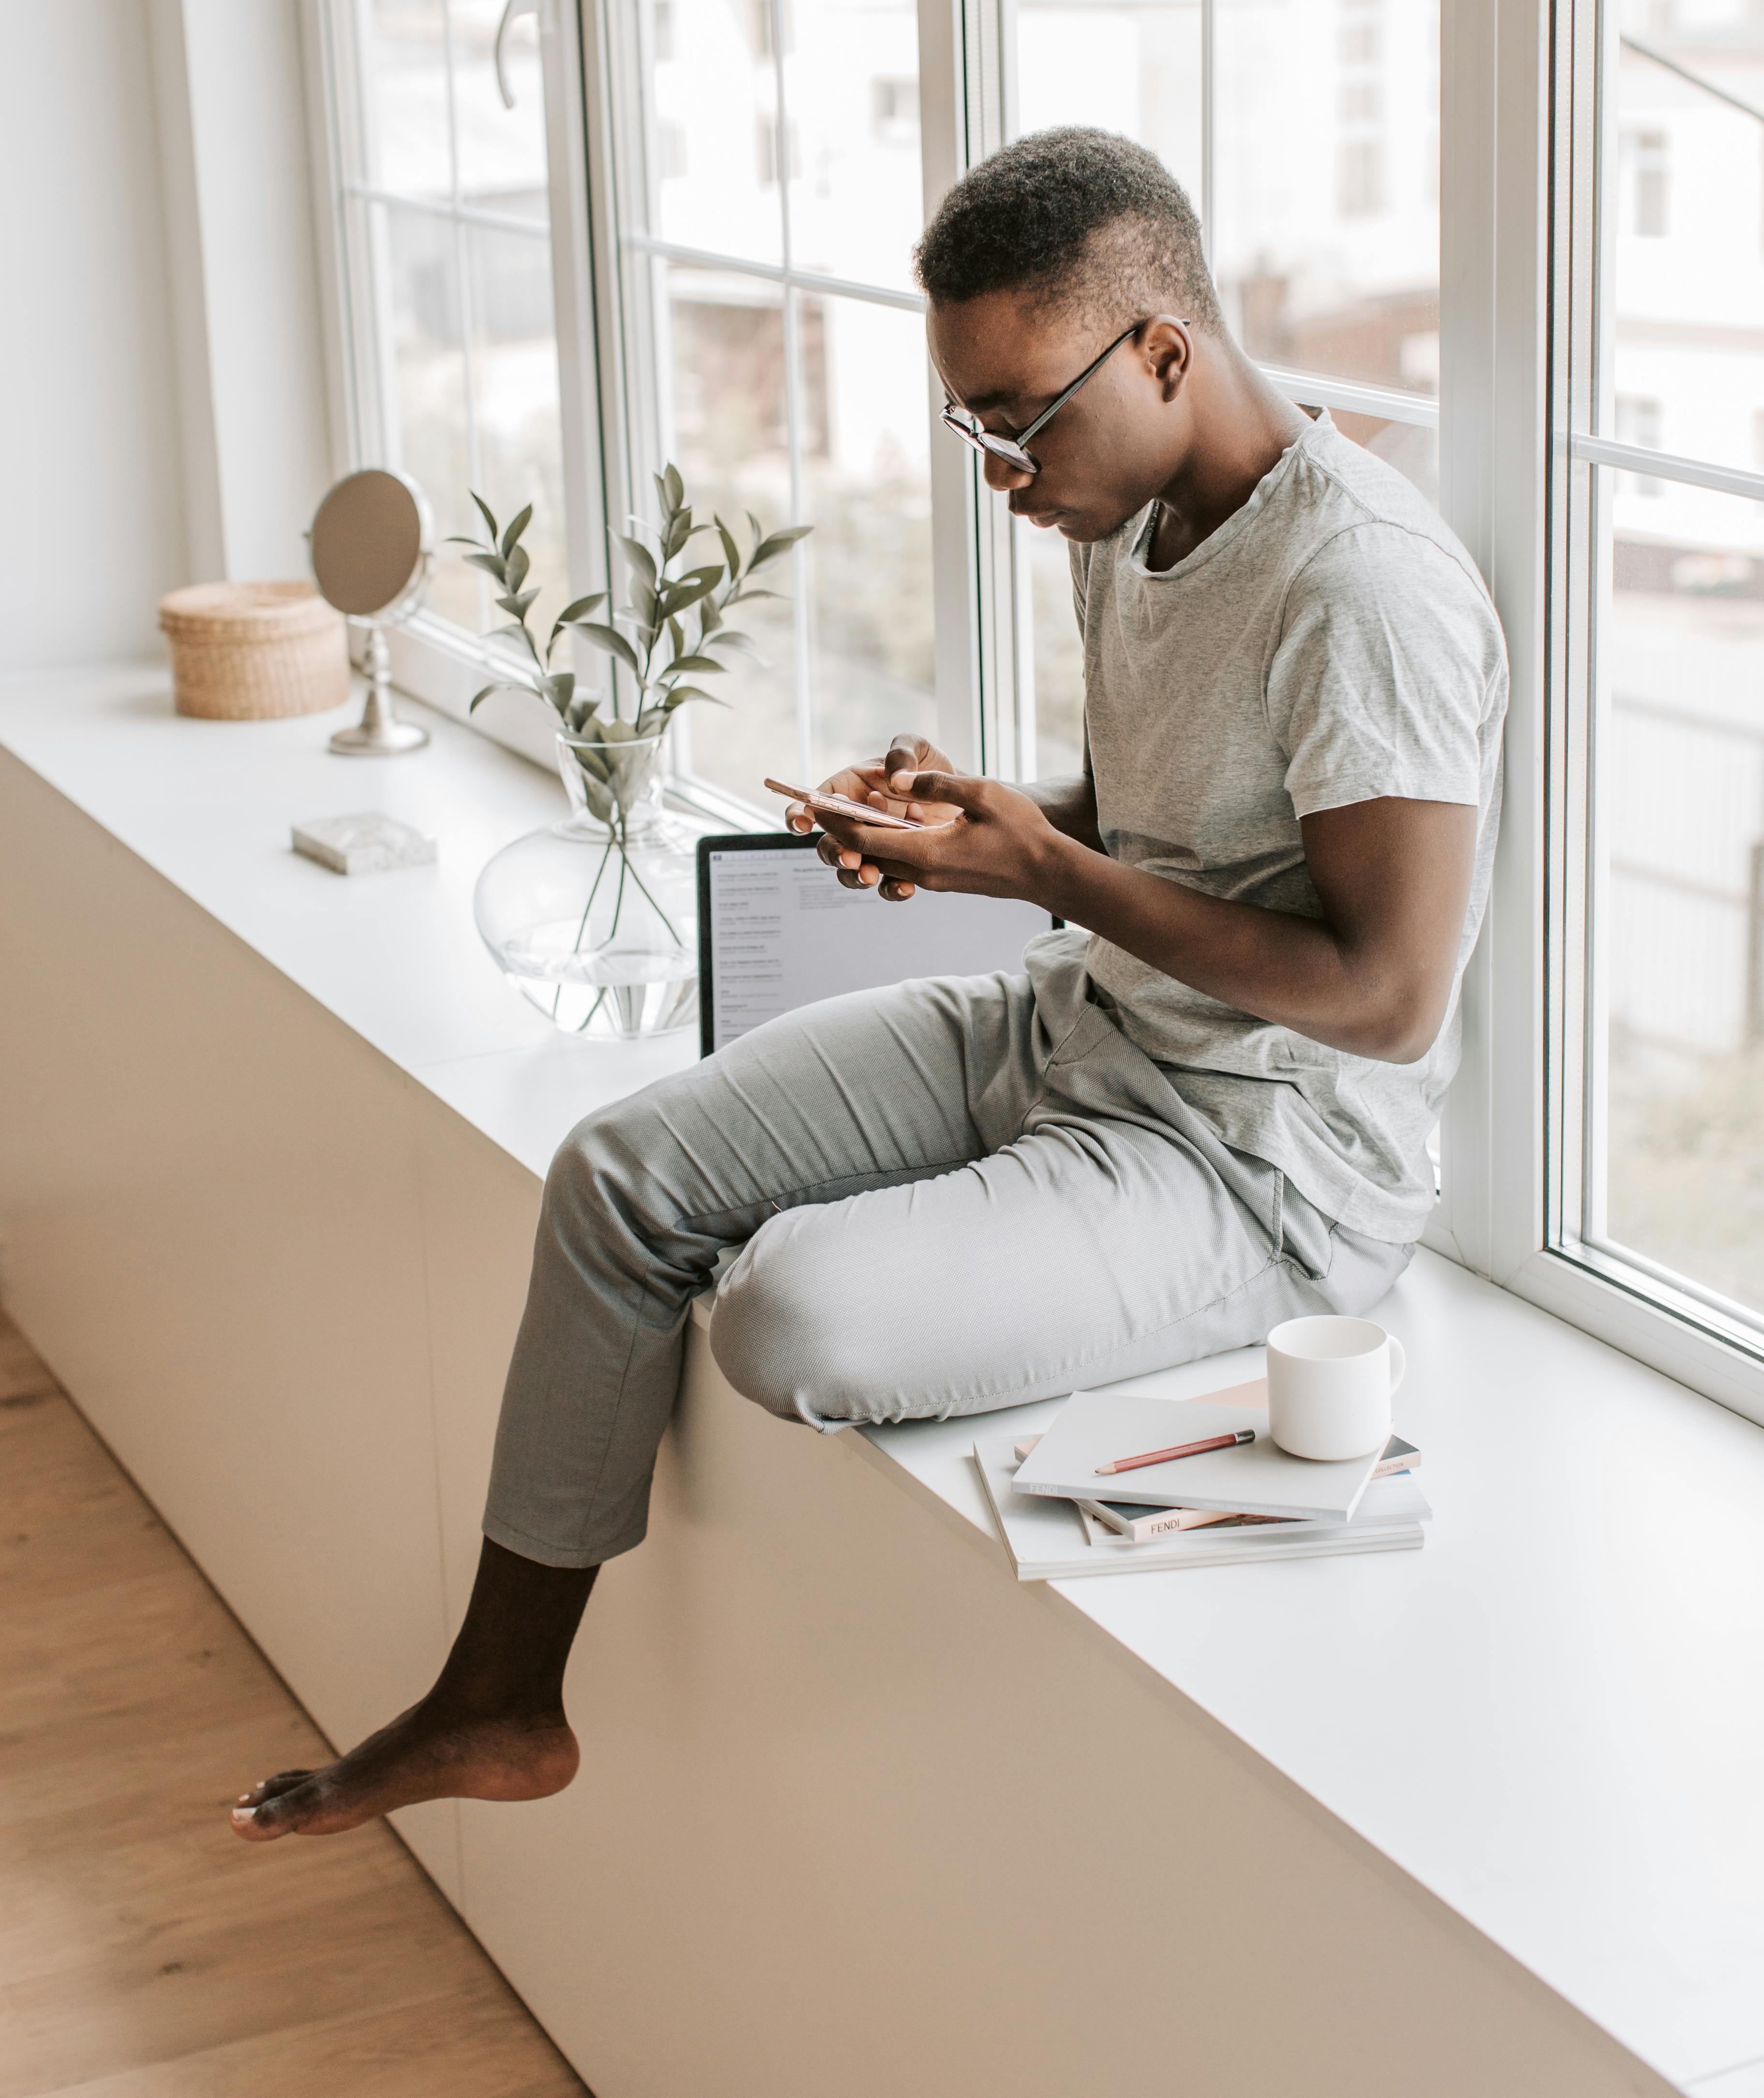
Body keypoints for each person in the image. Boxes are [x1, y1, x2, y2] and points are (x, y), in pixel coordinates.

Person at [231, 127, 1506, 1843]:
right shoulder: (1129, 509)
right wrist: (979, 821)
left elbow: (1390, 994)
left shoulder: (1365, 589)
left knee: (789, 1319)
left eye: (1021, 421)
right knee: (619, 1175)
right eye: (971, 424)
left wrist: (1039, 872)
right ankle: (500, 1700)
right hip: (1083, 1027)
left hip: (1261, 1167)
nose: (1002, 472)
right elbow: (1162, 824)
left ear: (1162, 352)